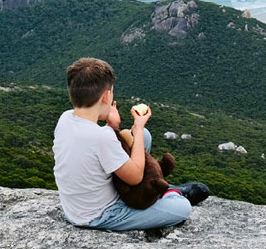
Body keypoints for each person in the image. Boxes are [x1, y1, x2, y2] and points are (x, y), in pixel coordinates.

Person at [52, 57, 210, 231]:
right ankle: (170, 193)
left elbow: (91, 147)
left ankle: (154, 185)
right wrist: (139, 127)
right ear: (105, 96)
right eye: (111, 92)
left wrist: (113, 127)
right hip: (101, 214)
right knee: (182, 209)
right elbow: (134, 176)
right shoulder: (102, 137)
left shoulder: (65, 118)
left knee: (144, 138)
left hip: (75, 208)